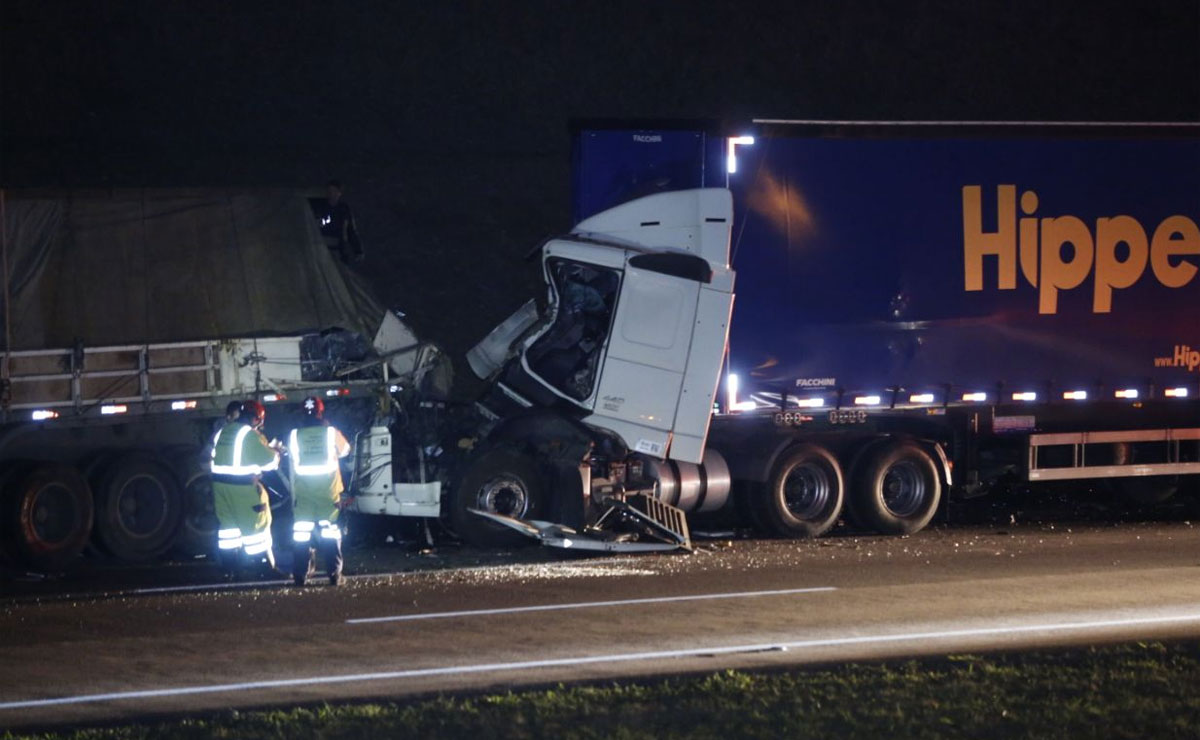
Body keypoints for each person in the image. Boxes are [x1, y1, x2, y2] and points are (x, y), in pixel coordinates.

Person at [210, 399, 281, 578]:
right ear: (256, 419)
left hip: (220, 487)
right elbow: (270, 462)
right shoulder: (250, 435)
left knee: (228, 529)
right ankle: (264, 569)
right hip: (242, 488)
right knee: (256, 529)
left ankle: (229, 570)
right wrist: (277, 451)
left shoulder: (223, 432)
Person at [287, 396, 352, 586]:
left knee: (301, 537)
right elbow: (346, 450)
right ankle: (334, 575)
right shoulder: (330, 433)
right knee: (331, 534)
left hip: (304, 495)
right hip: (328, 494)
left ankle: (300, 576)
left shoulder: (294, 435)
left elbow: (290, 457)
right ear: (320, 412)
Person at [315, 179, 363, 264]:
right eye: (329, 190)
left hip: (339, 250)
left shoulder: (343, 210)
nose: (331, 193)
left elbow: (350, 230)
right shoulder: (320, 208)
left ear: (339, 193)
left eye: (334, 191)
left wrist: (358, 250)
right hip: (321, 248)